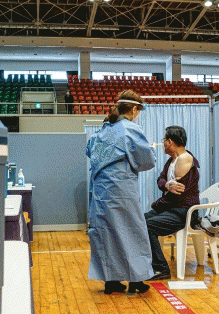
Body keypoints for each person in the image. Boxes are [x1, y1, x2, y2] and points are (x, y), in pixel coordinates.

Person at [86, 90, 156, 294]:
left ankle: (111, 280)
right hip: (121, 189)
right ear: (134, 109)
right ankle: (136, 280)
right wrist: (151, 149)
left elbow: (90, 150)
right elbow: (146, 160)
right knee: (133, 230)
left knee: (105, 233)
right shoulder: (130, 129)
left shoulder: (103, 130)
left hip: (100, 191)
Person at [145, 126, 201, 280]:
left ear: (169, 142)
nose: (162, 143)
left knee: (147, 226)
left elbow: (176, 196)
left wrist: (160, 198)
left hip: (183, 212)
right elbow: (161, 180)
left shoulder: (185, 159)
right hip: (171, 209)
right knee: (139, 221)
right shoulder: (171, 160)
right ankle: (149, 262)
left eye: (164, 140)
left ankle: (161, 268)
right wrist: (166, 185)